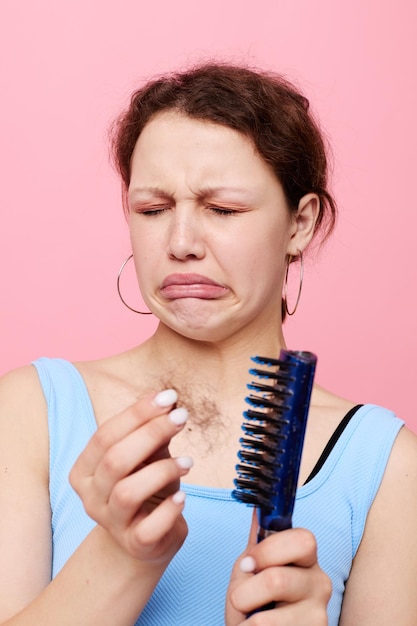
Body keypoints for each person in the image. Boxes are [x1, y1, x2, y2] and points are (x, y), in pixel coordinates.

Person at [1, 62, 416, 626]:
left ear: (300, 223)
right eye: (152, 210)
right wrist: (123, 557)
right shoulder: (31, 412)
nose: (180, 243)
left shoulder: (386, 467)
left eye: (222, 209)